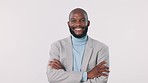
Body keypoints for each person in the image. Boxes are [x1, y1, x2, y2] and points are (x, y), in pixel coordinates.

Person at [46, 8, 110, 83]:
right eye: (73, 20)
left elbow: (102, 80)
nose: (78, 24)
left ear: (88, 23)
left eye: (82, 20)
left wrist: (65, 73)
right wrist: (87, 75)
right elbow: (52, 77)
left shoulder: (101, 48)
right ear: (68, 24)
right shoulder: (57, 46)